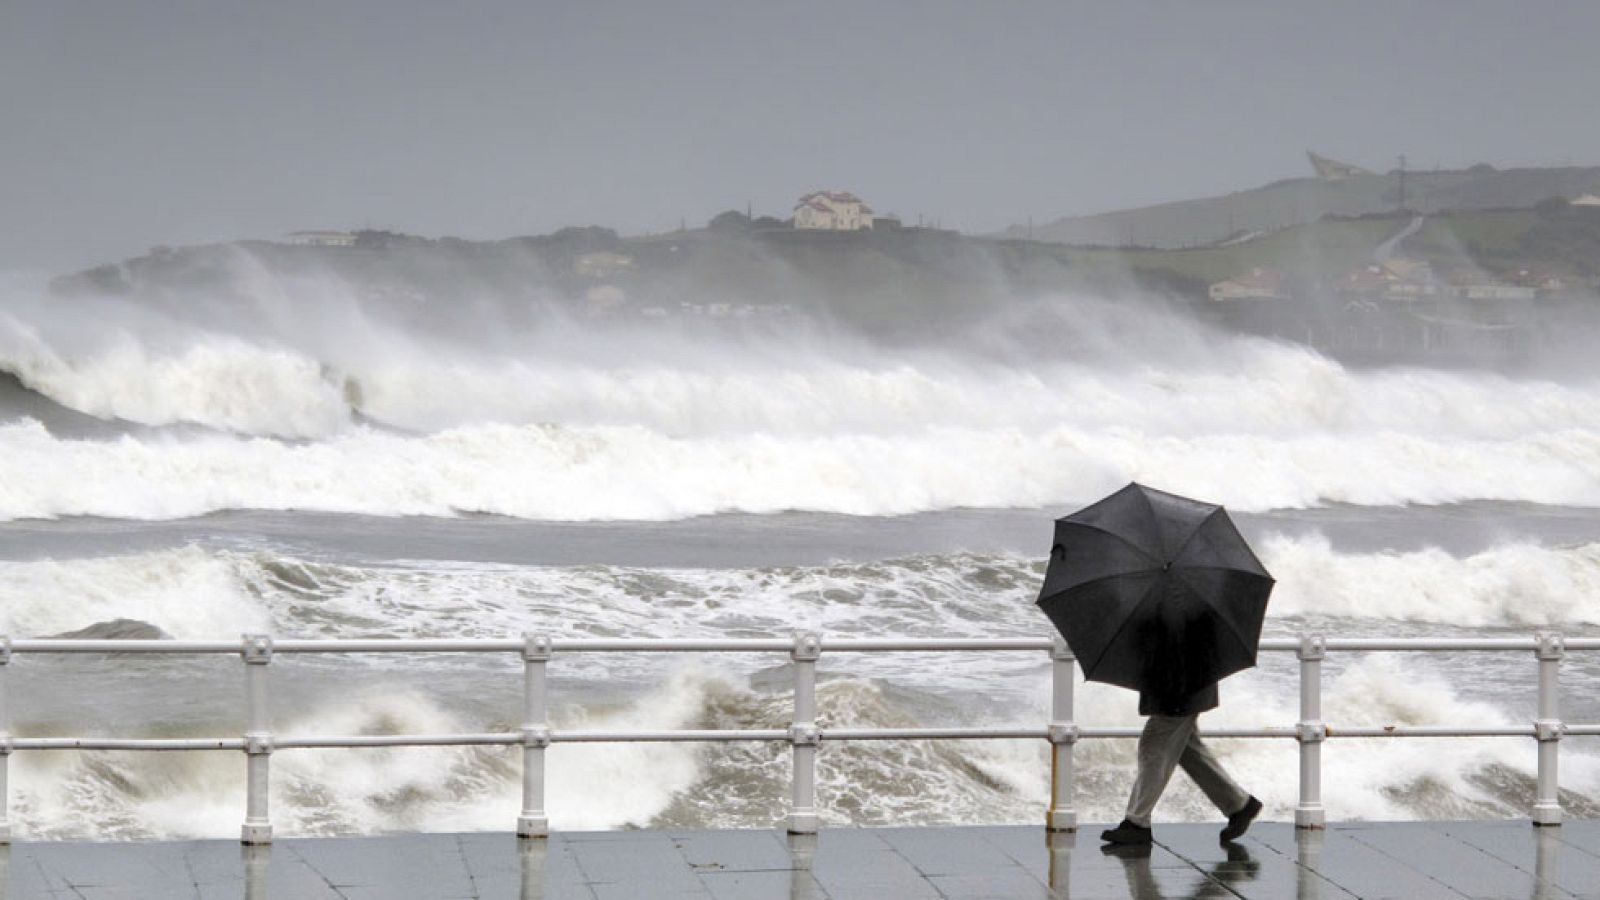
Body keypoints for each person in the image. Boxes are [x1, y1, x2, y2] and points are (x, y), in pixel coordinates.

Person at [1099, 680, 1262, 846]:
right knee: (1187, 750)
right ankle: (1239, 805)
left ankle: (1137, 822)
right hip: (1182, 686)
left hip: (1179, 686)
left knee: (1154, 745)